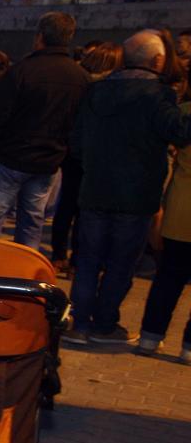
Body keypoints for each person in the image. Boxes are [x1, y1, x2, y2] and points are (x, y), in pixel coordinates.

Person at [65, 29, 191, 345]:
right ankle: (105, 325)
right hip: (136, 194)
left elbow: (77, 142)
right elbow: (178, 131)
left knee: (88, 260)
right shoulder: (157, 95)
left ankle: (79, 323)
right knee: (121, 263)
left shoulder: (96, 91)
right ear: (158, 59)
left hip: (94, 189)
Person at [0, 12, 89, 250]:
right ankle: (24, 275)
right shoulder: (80, 77)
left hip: (11, 158)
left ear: (39, 37)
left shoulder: (23, 71)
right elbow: (80, 124)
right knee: (32, 221)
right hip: (48, 161)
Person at [51, 42, 123, 275]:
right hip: (93, 156)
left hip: (72, 152)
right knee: (84, 210)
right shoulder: (106, 89)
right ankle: (76, 260)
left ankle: (58, 255)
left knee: (67, 204)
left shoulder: (79, 83)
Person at [138, 88, 191, 362]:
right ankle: (188, 348)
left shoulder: (183, 113)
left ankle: (149, 337)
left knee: (168, 277)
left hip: (182, 206)